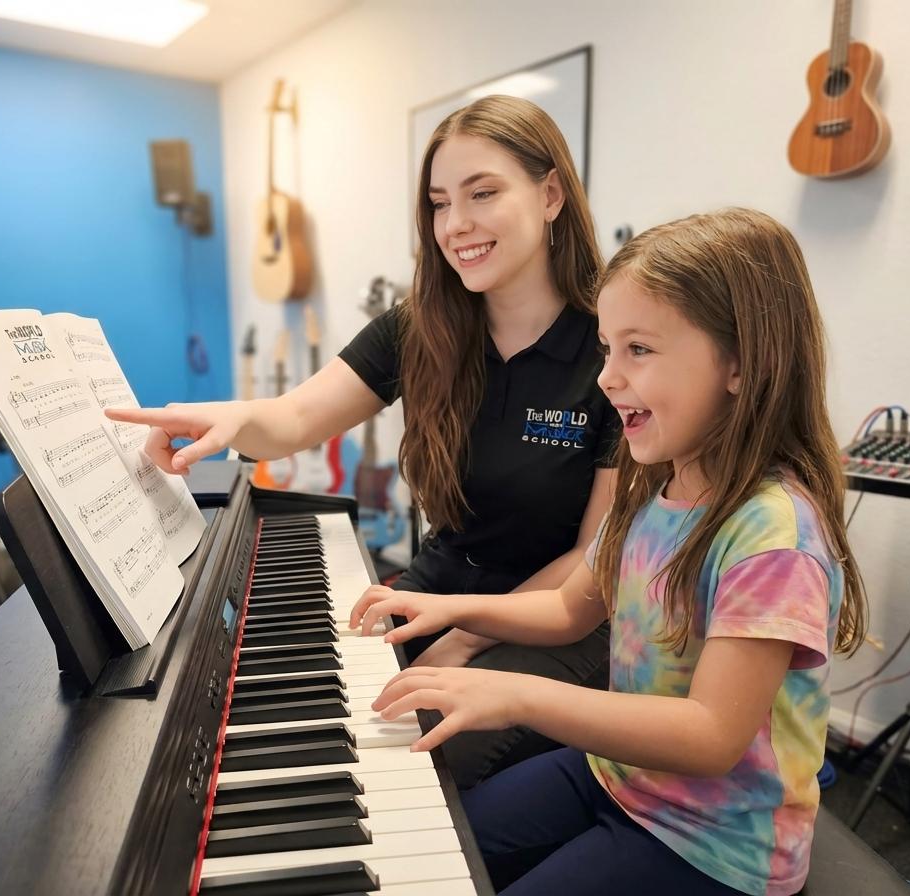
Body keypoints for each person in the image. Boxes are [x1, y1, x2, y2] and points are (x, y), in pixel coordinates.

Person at [106, 95, 621, 789]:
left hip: (561, 615)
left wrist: (462, 639)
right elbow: (293, 418)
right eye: (439, 203)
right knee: (313, 684)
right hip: (448, 575)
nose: (456, 224)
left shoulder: (612, 349)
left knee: (422, 752)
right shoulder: (421, 325)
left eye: (483, 193)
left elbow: (593, 562)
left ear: (551, 193)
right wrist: (221, 419)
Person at [350, 208, 868, 895]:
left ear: (742, 363)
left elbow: (711, 733)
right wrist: (443, 606)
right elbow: (569, 609)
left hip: (716, 841)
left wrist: (517, 694)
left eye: (639, 350)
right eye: (605, 349)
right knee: (442, 840)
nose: (606, 378)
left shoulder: (772, 533)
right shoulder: (655, 483)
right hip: (615, 774)